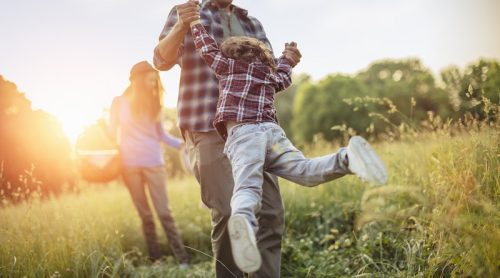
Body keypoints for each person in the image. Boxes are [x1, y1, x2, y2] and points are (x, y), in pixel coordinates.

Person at [188, 20, 388, 273]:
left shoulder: (227, 66)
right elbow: (284, 75)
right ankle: (347, 158)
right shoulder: (268, 74)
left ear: (230, 54)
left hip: (245, 135)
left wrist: (196, 23)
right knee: (304, 170)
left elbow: (207, 49)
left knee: (248, 185)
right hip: (273, 135)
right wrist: (287, 58)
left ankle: (244, 222)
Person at [153, 1, 301, 277]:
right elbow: (161, 60)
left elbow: (267, 76)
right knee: (230, 214)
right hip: (206, 126)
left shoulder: (252, 23)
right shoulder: (187, 12)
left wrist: (287, 60)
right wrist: (183, 25)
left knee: (269, 214)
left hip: (255, 129)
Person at [108, 61, 190, 267]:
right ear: (138, 80)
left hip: (154, 163)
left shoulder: (155, 104)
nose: (154, 84)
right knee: (146, 216)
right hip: (129, 166)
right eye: (151, 80)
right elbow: (111, 134)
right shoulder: (118, 103)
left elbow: (161, 134)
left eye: (156, 81)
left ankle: (183, 260)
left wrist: (183, 144)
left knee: (164, 213)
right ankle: (156, 260)